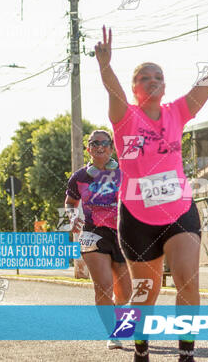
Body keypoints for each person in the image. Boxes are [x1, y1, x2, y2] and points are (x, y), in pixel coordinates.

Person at [95, 9, 208, 362]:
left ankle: (186, 354)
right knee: (146, 291)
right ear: (135, 87)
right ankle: (141, 348)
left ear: (165, 85)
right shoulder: (125, 117)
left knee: (188, 280)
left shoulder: (177, 112)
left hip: (179, 212)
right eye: (144, 77)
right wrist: (105, 65)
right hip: (137, 218)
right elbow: (111, 89)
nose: (153, 80)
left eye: (159, 76)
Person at [65, 130, 132, 350]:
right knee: (102, 286)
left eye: (104, 143)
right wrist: (73, 216)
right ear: (89, 149)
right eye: (94, 143)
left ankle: (115, 313)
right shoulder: (79, 177)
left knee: (126, 292)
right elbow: (70, 201)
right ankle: (112, 333)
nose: (100, 146)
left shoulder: (125, 172)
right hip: (92, 234)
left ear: (112, 148)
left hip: (123, 234)